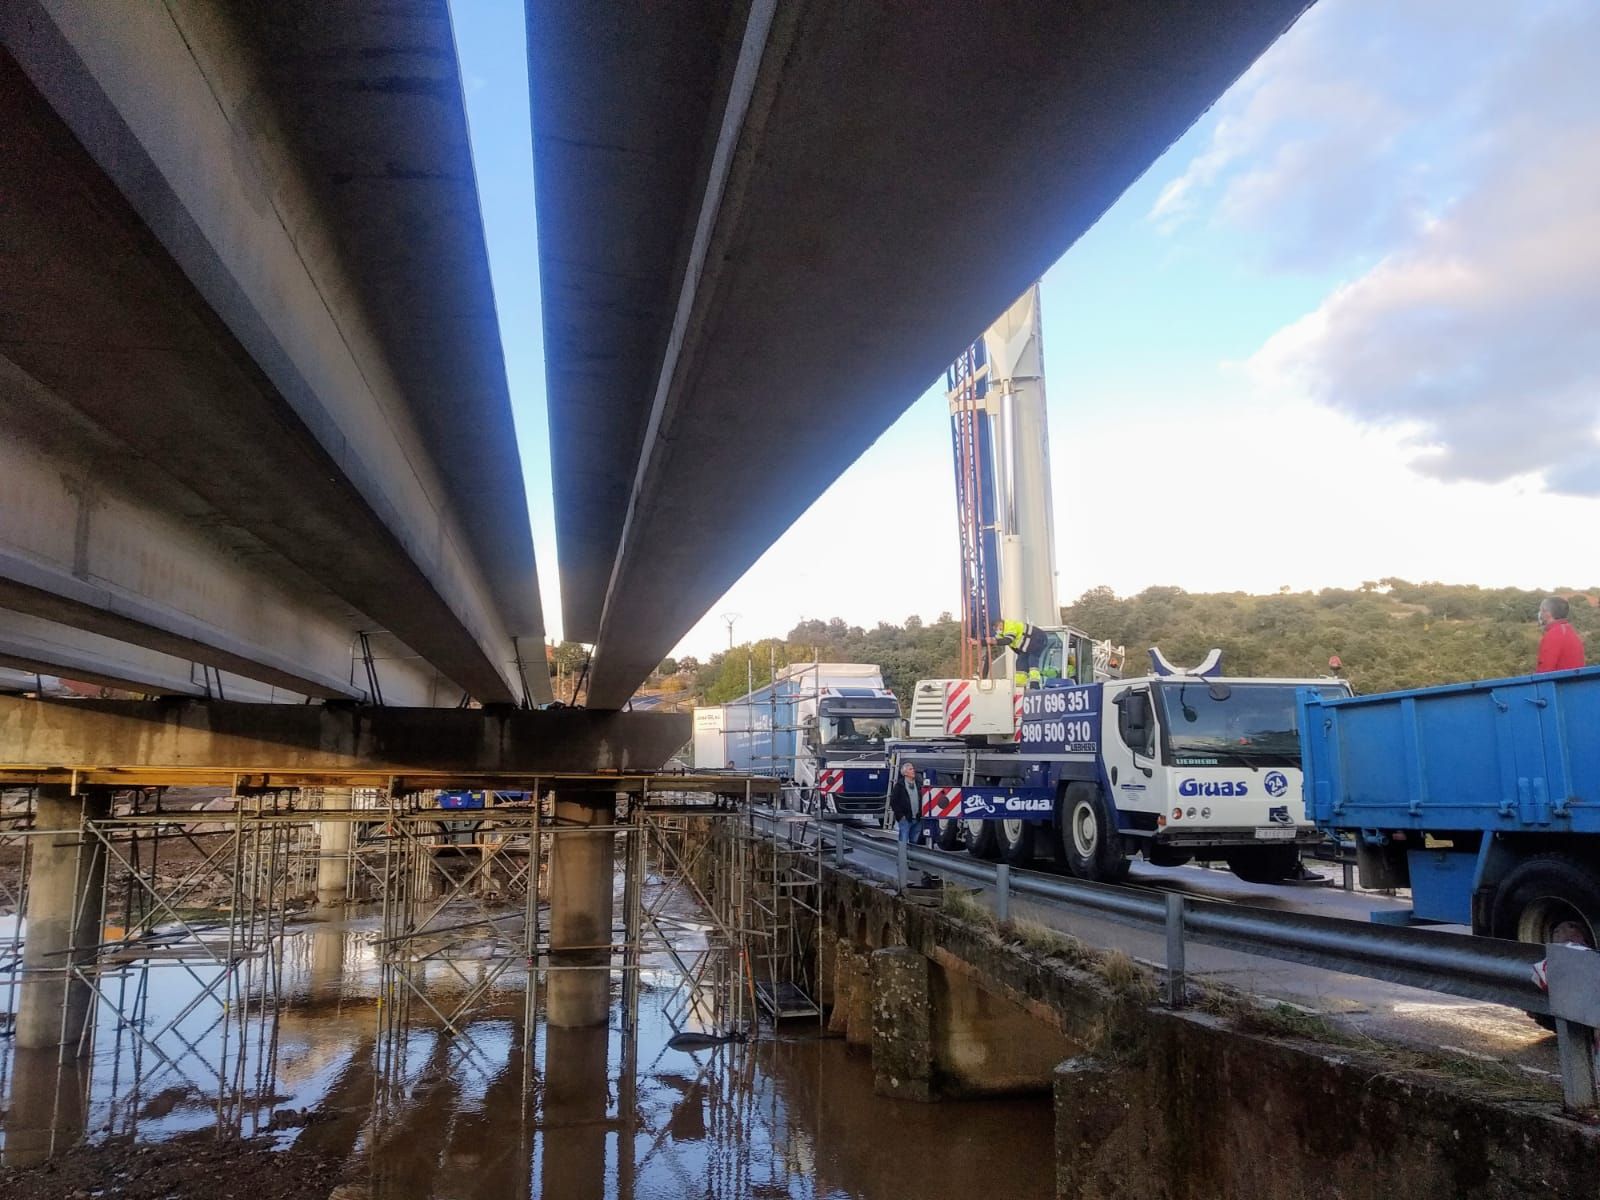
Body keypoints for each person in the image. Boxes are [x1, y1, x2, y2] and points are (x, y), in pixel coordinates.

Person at [1536, 596, 1586, 673]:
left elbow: (1544, 671)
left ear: (1547, 613)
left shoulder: (1554, 634)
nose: (1540, 614)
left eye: (1541, 610)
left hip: (1561, 683)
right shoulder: (1569, 631)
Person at [888, 761, 922, 843]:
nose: (913, 770)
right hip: (905, 819)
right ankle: (902, 855)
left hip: (917, 818)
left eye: (913, 769)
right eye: (911, 769)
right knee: (903, 840)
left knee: (915, 841)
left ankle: (913, 856)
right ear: (905, 773)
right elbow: (893, 801)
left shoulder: (918, 784)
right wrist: (900, 816)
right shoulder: (900, 785)